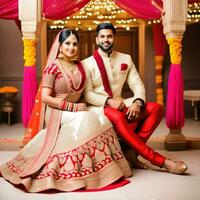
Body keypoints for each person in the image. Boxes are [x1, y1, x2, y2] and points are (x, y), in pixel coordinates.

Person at [0, 29, 132, 192]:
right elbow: (46, 98)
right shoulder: (52, 68)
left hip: (75, 111)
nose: (71, 47)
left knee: (100, 119)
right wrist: (72, 107)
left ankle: (99, 170)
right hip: (57, 111)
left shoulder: (80, 66)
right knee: (84, 119)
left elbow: (86, 93)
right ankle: (71, 171)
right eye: (67, 43)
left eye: (75, 44)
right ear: (60, 46)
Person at [82, 22, 188, 174]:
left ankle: (131, 152)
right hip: (100, 108)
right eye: (103, 37)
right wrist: (108, 101)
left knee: (156, 108)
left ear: (114, 38)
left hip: (120, 103)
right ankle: (162, 161)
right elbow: (87, 94)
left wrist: (137, 102)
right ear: (97, 40)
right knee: (118, 116)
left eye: (109, 36)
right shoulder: (86, 64)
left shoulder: (126, 59)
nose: (106, 40)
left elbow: (137, 84)